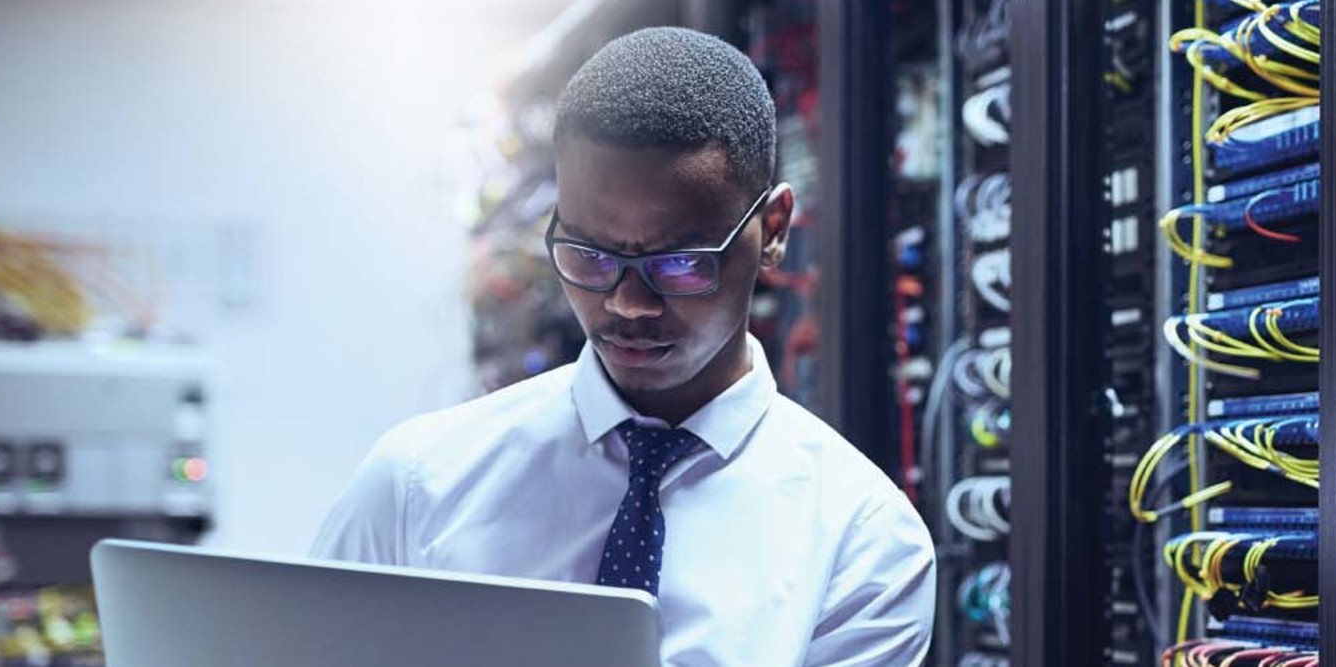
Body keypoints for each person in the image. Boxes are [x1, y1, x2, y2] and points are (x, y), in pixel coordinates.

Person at [311, 26, 936, 666]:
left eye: (681, 263)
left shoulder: (862, 539)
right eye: (588, 255)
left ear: (772, 231)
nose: (626, 302)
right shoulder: (418, 482)